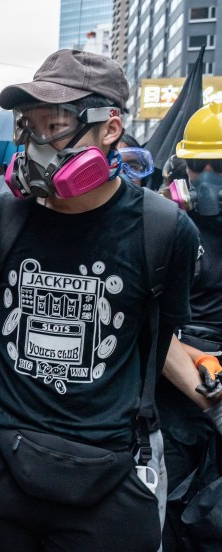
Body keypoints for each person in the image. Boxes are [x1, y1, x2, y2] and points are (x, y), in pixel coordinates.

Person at [0, 49, 201, 551]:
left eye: (51, 126)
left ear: (110, 127)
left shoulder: (164, 230)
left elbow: (160, 341)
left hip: (111, 474)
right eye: (25, 127)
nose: (34, 145)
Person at [157, 101, 222, 550]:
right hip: (179, 401)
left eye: (219, 165)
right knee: (175, 522)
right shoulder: (168, 228)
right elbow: (152, 327)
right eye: (200, 165)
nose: (210, 176)